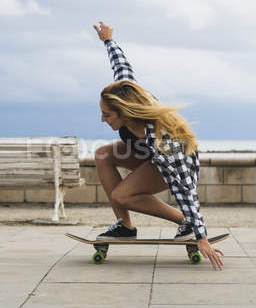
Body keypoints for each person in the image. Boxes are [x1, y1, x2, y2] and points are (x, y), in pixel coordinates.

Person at [92, 20, 224, 271]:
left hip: (173, 160)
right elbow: (121, 65)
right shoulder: (125, 91)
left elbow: (186, 190)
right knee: (102, 155)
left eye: (107, 115)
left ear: (125, 113)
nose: (102, 119)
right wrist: (109, 41)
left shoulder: (165, 143)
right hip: (147, 154)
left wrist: (201, 236)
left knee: (123, 194)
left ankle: (184, 223)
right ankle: (125, 227)